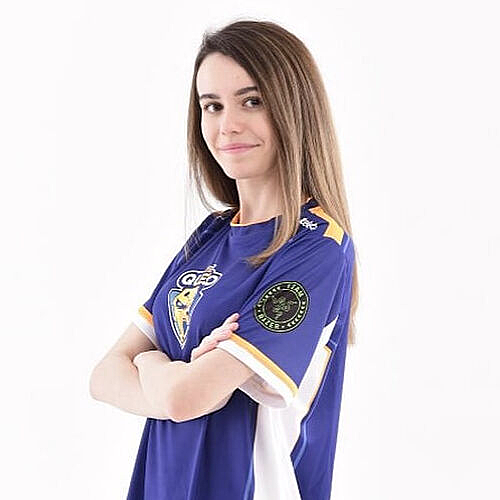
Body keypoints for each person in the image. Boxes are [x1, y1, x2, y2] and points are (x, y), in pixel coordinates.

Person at [90, 19, 359, 500]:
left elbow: (185, 398)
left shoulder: (315, 249)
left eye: (251, 101)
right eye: (211, 105)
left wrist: (151, 365)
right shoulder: (210, 236)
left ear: (294, 108)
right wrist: (170, 372)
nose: (226, 125)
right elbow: (104, 376)